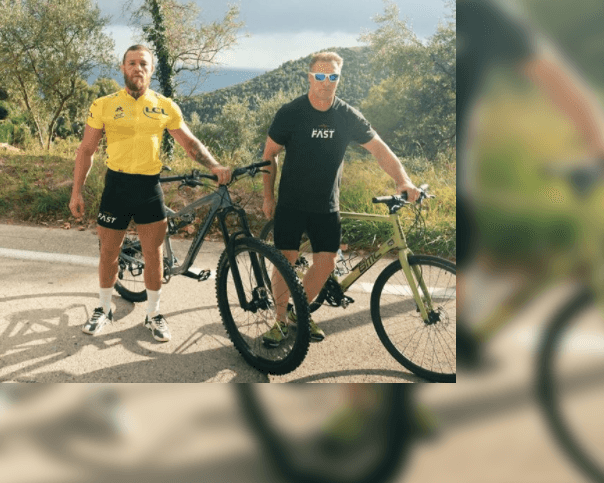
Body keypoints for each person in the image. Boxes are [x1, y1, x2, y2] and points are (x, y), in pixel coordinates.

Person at [454, 0, 604, 366]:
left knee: (454, 311)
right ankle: (356, 417)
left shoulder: (480, 13)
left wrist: (597, 140)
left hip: (453, 175)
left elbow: (553, 76)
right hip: (405, 166)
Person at [69, 44, 231, 343]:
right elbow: (87, 150)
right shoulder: (104, 104)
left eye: (143, 63)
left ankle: (154, 313)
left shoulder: (164, 105)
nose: (137, 68)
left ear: (151, 69)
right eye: (132, 63)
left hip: (148, 187)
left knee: (154, 255)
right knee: (108, 252)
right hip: (116, 186)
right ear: (122, 68)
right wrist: (76, 191)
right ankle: (104, 308)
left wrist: (214, 164)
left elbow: (189, 143)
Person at [260, 51, 422, 345]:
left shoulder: (347, 115)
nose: (326, 82)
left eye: (332, 77)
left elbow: (380, 151)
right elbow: (269, 156)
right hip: (291, 203)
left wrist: (404, 181)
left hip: (326, 204)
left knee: (326, 263)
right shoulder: (291, 113)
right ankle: (280, 320)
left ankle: (300, 313)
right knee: (286, 261)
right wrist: (268, 197)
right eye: (320, 76)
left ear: (339, 79)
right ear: (310, 77)